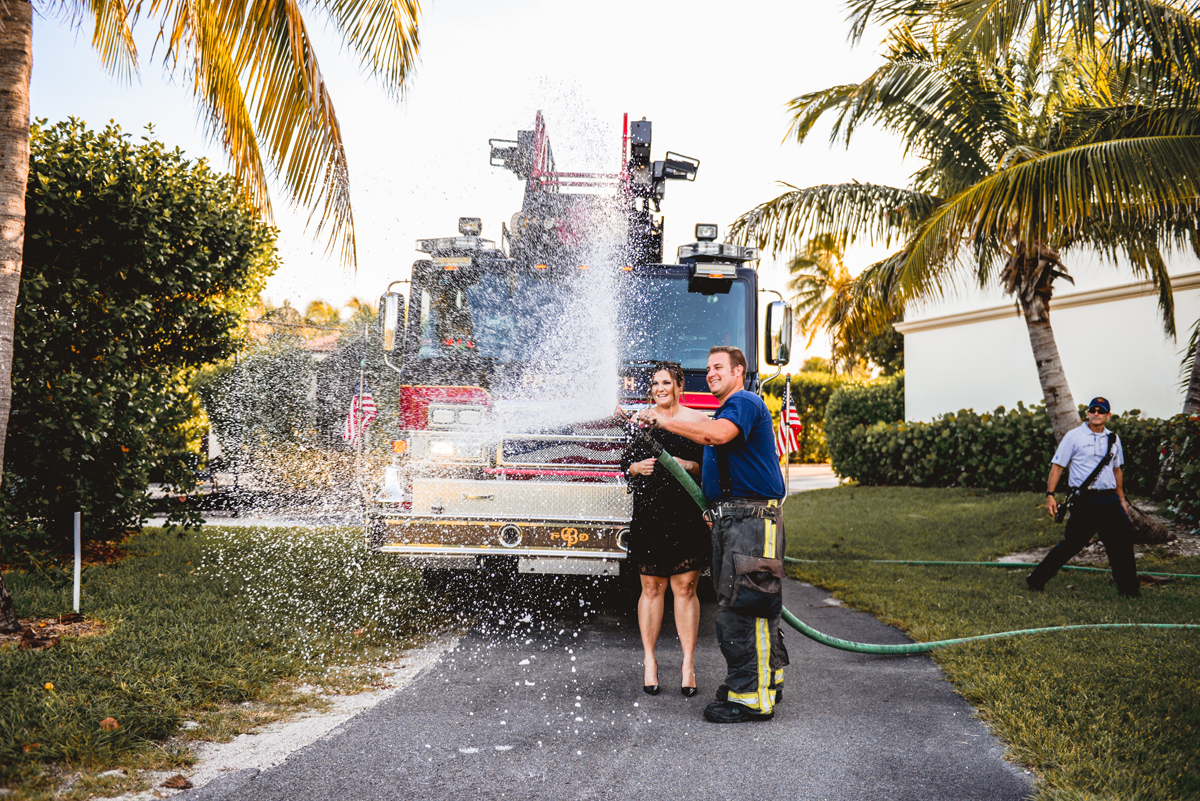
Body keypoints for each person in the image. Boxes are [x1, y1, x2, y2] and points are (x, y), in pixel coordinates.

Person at [635, 346, 788, 724]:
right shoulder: (728, 409)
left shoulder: (745, 403)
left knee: (745, 609)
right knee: (745, 605)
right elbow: (714, 457)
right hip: (734, 520)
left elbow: (716, 436)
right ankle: (762, 682)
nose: (712, 373)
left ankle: (751, 697)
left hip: (751, 521)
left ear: (739, 371)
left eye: (719, 367)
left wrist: (662, 422)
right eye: (708, 368)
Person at [621, 363, 711, 697]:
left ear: (679, 385)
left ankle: (688, 664)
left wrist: (688, 465)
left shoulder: (697, 421)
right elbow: (623, 463)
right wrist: (635, 467)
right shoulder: (640, 420)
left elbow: (709, 468)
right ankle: (650, 661)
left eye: (667, 382)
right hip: (650, 515)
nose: (660, 388)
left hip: (685, 515)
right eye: (656, 383)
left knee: (686, 588)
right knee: (652, 587)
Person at [1028, 396, 1140, 598]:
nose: (1096, 414)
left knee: (1122, 540)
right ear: (1087, 413)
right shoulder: (1074, 437)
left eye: (1101, 411)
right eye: (1093, 410)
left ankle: (1129, 590)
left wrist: (1121, 499)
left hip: (1109, 500)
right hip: (1084, 500)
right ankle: (1036, 579)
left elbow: (1117, 471)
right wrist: (1050, 495)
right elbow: (1058, 466)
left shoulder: (1113, 439)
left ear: (1108, 415)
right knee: (1072, 544)